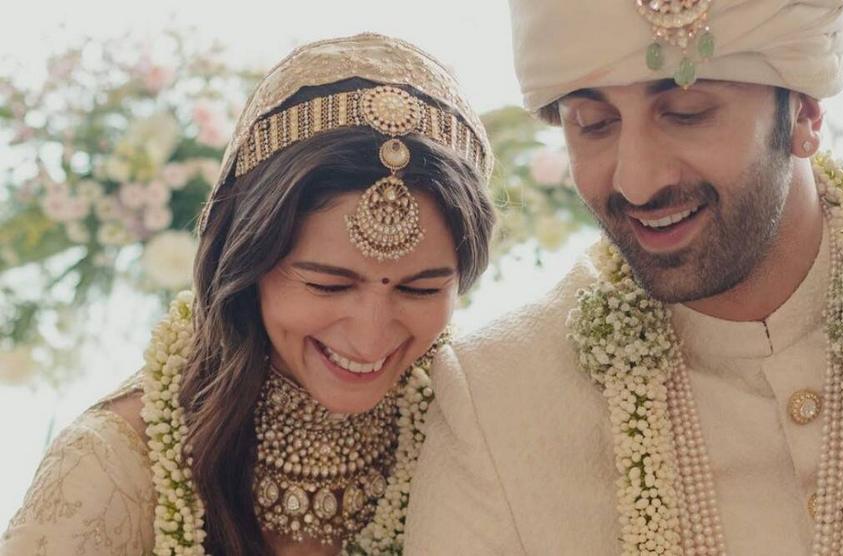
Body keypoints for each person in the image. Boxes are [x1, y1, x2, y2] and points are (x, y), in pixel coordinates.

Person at [404, 1, 843, 554]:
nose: (637, 182)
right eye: (593, 123)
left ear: (804, 109)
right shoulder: (497, 401)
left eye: (687, 114)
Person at [1, 33, 495, 555]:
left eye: (420, 289)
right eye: (327, 285)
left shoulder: (478, 429)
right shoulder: (112, 465)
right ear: (245, 263)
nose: (370, 337)